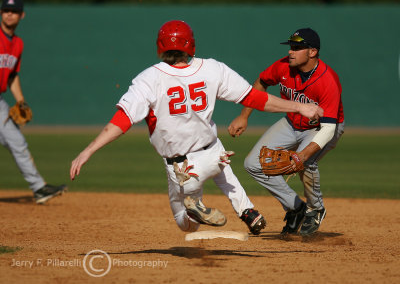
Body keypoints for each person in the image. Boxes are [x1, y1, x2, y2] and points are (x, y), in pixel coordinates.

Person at [70, 21, 323, 235]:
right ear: (191, 44)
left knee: (185, 223)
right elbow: (253, 98)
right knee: (224, 173)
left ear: (160, 46)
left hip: (182, 167)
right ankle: (246, 210)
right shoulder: (212, 68)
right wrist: (298, 107)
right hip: (214, 153)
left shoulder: (149, 78)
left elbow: (122, 121)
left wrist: (88, 150)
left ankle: (195, 209)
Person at [228, 28, 344, 236]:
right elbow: (261, 83)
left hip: (322, 127)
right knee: (253, 164)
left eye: (298, 48)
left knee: (306, 162)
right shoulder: (283, 66)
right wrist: (244, 116)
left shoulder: (328, 81)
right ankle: (295, 207)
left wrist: (301, 156)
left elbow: (328, 129)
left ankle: (315, 209)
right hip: (292, 123)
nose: (291, 52)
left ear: (312, 52)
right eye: (291, 47)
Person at [0, 0, 66, 204]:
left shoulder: (17, 44)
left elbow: (12, 75)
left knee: (17, 142)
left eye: (14, 11)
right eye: (6, 10)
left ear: (22, 15)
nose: (9, 14)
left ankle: (39, 188)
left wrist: (21, 101)